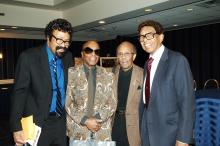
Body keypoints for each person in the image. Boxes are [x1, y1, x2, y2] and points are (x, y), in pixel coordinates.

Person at [10, 18, 73, 146]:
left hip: (61, 123)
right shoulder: (28, 57)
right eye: (59, 40)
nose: (64, 45)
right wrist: (16, 127)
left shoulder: (68, 57)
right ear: (48, 38)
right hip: (36, 123)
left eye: (67, 41)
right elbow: (19, 94)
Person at [138, 20, 195, 146]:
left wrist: (183, 139)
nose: (144, 40)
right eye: (141, 37)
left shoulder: (177, 60)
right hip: (147, 130)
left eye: (149, 35)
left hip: (169, 133)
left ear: (161, 37)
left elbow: (187, 102)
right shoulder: (147, 63)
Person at [65, 40, 117, 141]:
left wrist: (96, 119)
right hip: (78, 131)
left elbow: (112, 103)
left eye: (96, 51)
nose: (93, 54)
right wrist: (85, 121)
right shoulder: (71, 73)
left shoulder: (109, 75)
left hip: (102, 131)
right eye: (89, 50)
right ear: (82, 54)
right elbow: (68, 103)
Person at [112, 41, 143, 146]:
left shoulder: (144, 75)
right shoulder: (110, 74)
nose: (123, 57)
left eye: (127, 54)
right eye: (120, 54)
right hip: (113, 125)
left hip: (134, 128)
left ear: (134, 56)